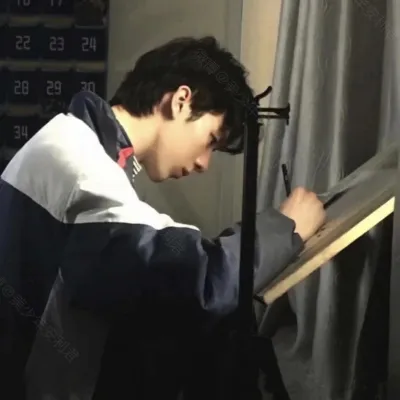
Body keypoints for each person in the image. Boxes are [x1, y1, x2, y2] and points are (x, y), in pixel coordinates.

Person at [0, 36, 326, 399]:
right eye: (211, 140)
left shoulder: (69, 138)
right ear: (181, 101)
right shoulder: (81, 167)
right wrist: (286, 227)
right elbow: (201, 281)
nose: (203, 164)